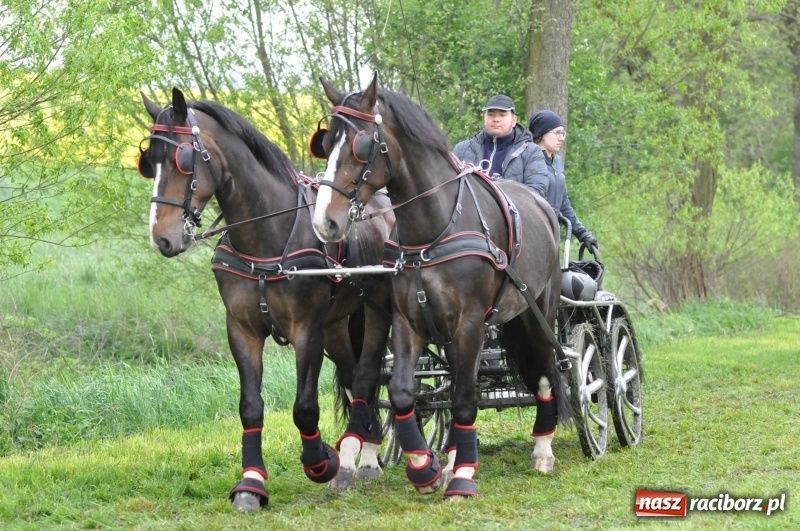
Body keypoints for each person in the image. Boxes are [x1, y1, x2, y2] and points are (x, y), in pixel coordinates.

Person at [527, 110, 598, 250]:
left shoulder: (557, 161)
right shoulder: (527, 159)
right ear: (541, 133)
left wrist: (582, 233)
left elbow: (563, 204)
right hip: (530, 239)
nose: (561, 138)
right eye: (557, 133)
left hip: (551, 238)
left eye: (563, 133)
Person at [453, 95, 540, 183]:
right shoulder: (461, 150)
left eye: (502, 115)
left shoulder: (531, 152)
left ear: (514, 120)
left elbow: (536, 189)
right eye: (491, 115)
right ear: (484, 118)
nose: (496, 119)